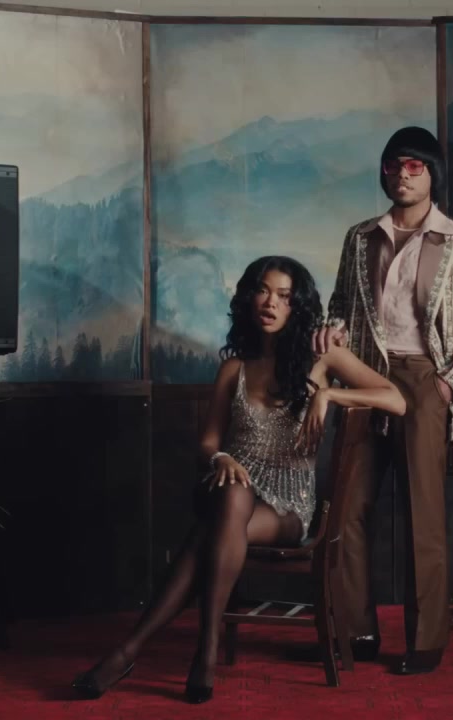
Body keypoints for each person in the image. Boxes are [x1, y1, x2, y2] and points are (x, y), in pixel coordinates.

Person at [73, 255, 407, 704]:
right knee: (231, 498)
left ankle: (133, 651)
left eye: (284, 296)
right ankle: (203, 649)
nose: (271, 302)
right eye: (263, 291)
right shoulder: (234, 368)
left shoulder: (322, 357)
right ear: (249, 298)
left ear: (297, 306)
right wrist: (223, 458)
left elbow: (396, 399)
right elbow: (208, 442)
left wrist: (328, 393)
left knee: (211, 531)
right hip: (232, 490)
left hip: (289, 507)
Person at [311, 126, 453, 676]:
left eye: (415, 166)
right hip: (364, 375)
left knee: (423, 513)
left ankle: (425, 643)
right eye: (394, 165)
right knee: (347, 509)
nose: (403, 174)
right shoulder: (359, 237)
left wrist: (446, 386)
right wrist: (333, 329)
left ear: (433, 173)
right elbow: (341, 302)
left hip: (425, 380)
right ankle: (357, 632)